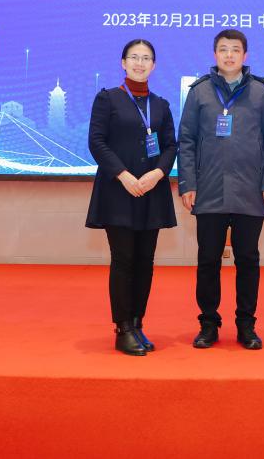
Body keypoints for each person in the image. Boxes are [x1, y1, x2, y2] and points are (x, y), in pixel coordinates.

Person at [177, 29, 264, 350]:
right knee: (208, 259)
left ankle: (246, 324)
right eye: (223, 49)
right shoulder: (199, 92)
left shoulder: (261, 93)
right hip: (208, 190)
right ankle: (208, 324)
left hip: (250, 191)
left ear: (244, 56)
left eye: (235, 49)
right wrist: (188, 184)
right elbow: (186, 142)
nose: (229, 55)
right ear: (215, 54)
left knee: (248, 259)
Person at [86, 39, 178, 356]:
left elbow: (171, 145)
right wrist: (123, 175)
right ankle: (122, 328)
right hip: (119, 191)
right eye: (134, 57)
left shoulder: (161, 105)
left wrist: (158, 173)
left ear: (154, 65)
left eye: (146, 58)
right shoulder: (108, 99)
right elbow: (97, 142)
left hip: (151, 191)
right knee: (123, 260)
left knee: (145, 262)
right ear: (123, 63)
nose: (140, 63)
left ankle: (138, 324)